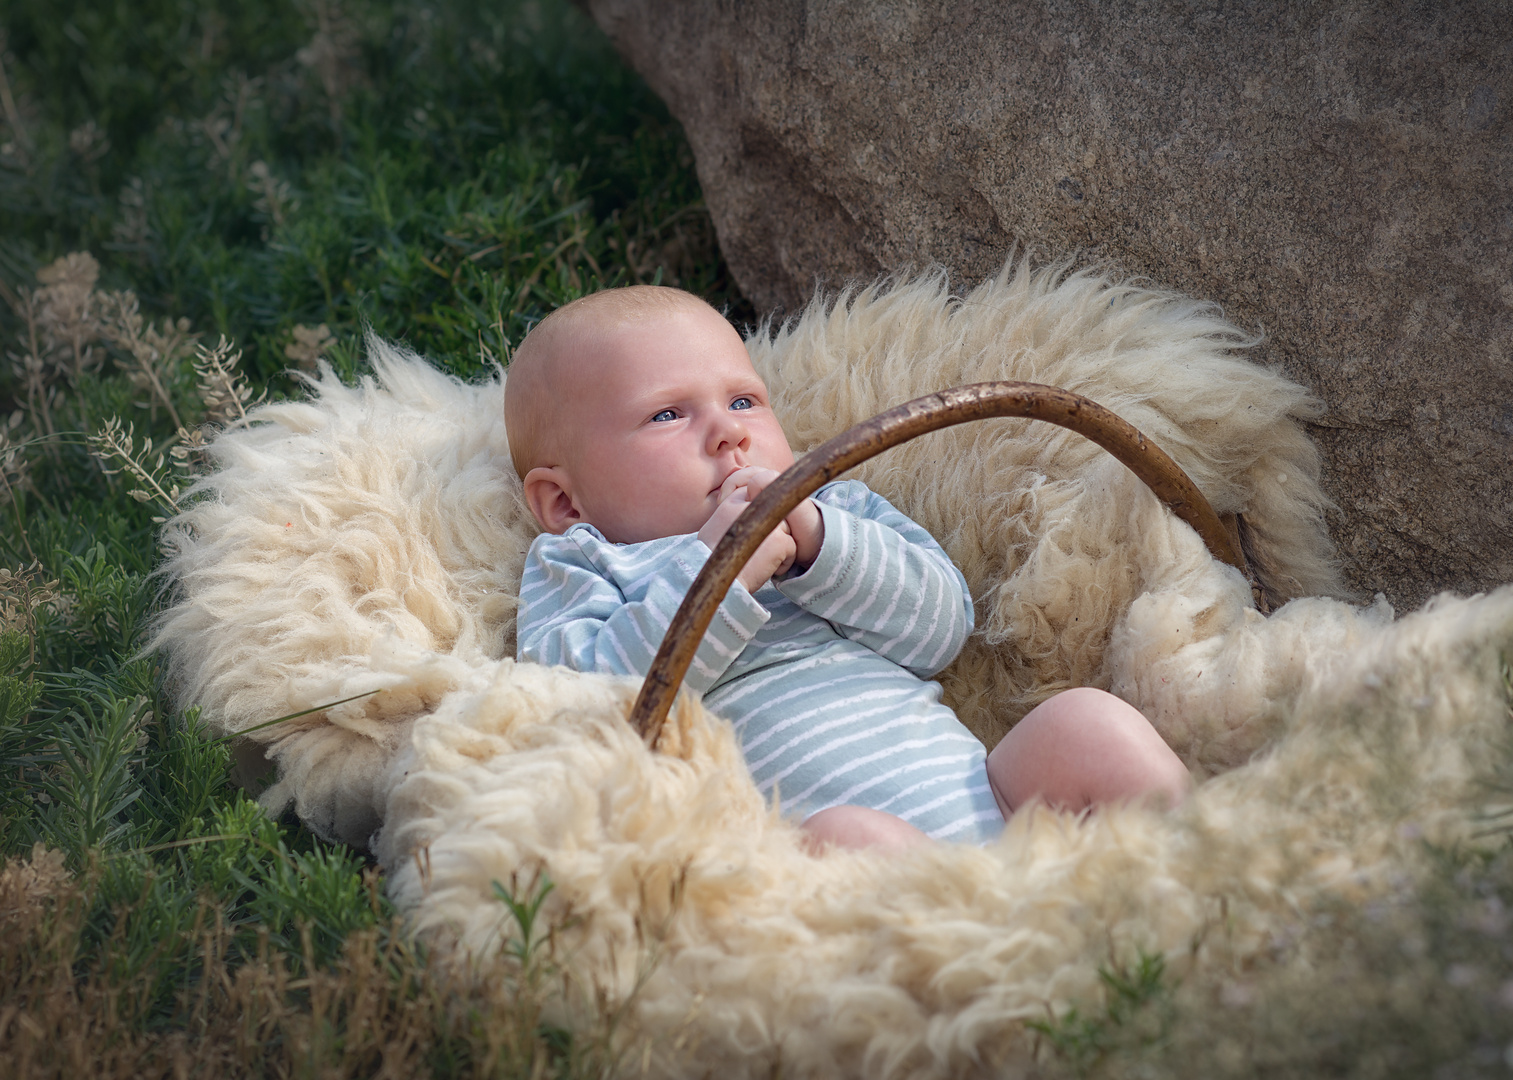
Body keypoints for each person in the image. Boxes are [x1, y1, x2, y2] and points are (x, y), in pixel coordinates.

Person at [504, 285, 1189, 853]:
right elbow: (597, 711)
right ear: (565, 501)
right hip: (856, 862)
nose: (728, 432)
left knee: (1086, 725)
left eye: (743, 400)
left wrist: (818, 545)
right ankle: (1001, 971)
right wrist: (717, 567)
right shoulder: (585, 563)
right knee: (845, 837)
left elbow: (942, 630)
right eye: (666, 414)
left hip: (996, 806)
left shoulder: (830, 505)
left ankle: (1199, 880)